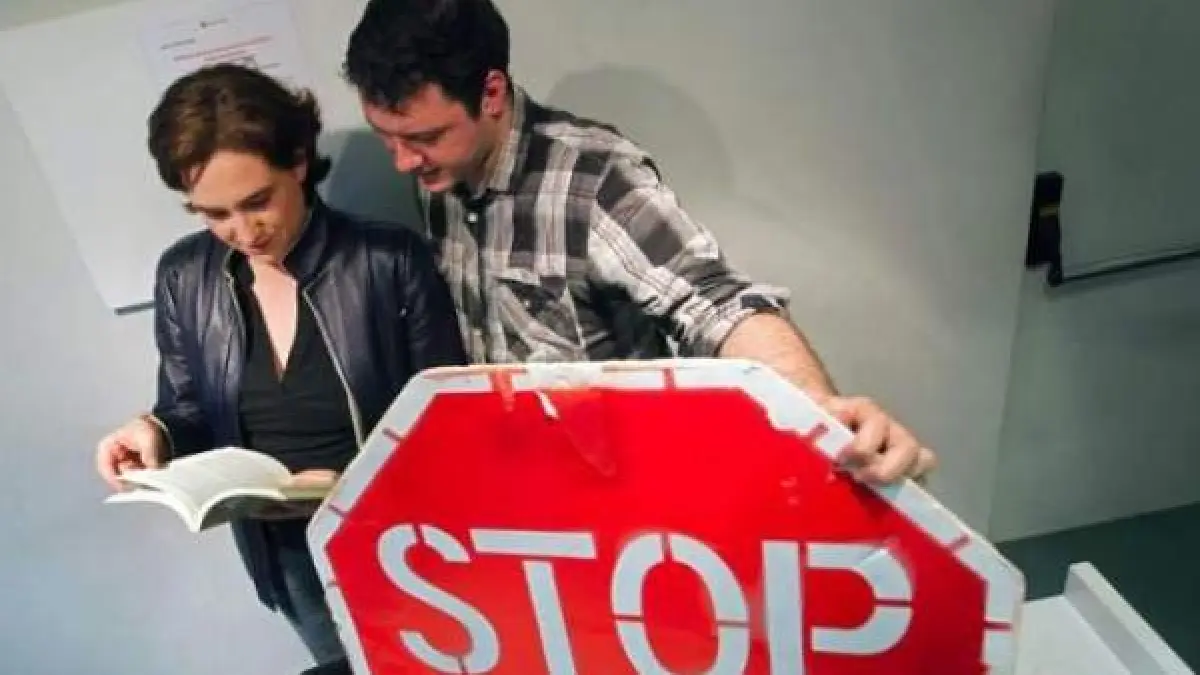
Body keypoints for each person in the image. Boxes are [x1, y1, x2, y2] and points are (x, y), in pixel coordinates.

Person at [342, 0, 937, 483]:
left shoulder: (595, 179)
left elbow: (715, 302)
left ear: (491, 93)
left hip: (623, 496)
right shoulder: (438, 173)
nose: (401, 162)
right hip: (522, 489)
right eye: (386, 137)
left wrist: (822, 414)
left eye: (424, 138)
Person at [93, 63, 467, 674]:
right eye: (214, 214)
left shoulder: (388, 260)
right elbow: (188, 409)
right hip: (286, 556)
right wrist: (153, 432)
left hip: (399, 544)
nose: (243, 233)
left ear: (298, 161)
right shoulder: (185, 276)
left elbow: (450, 427)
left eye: (257, 202)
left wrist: (353, 485)